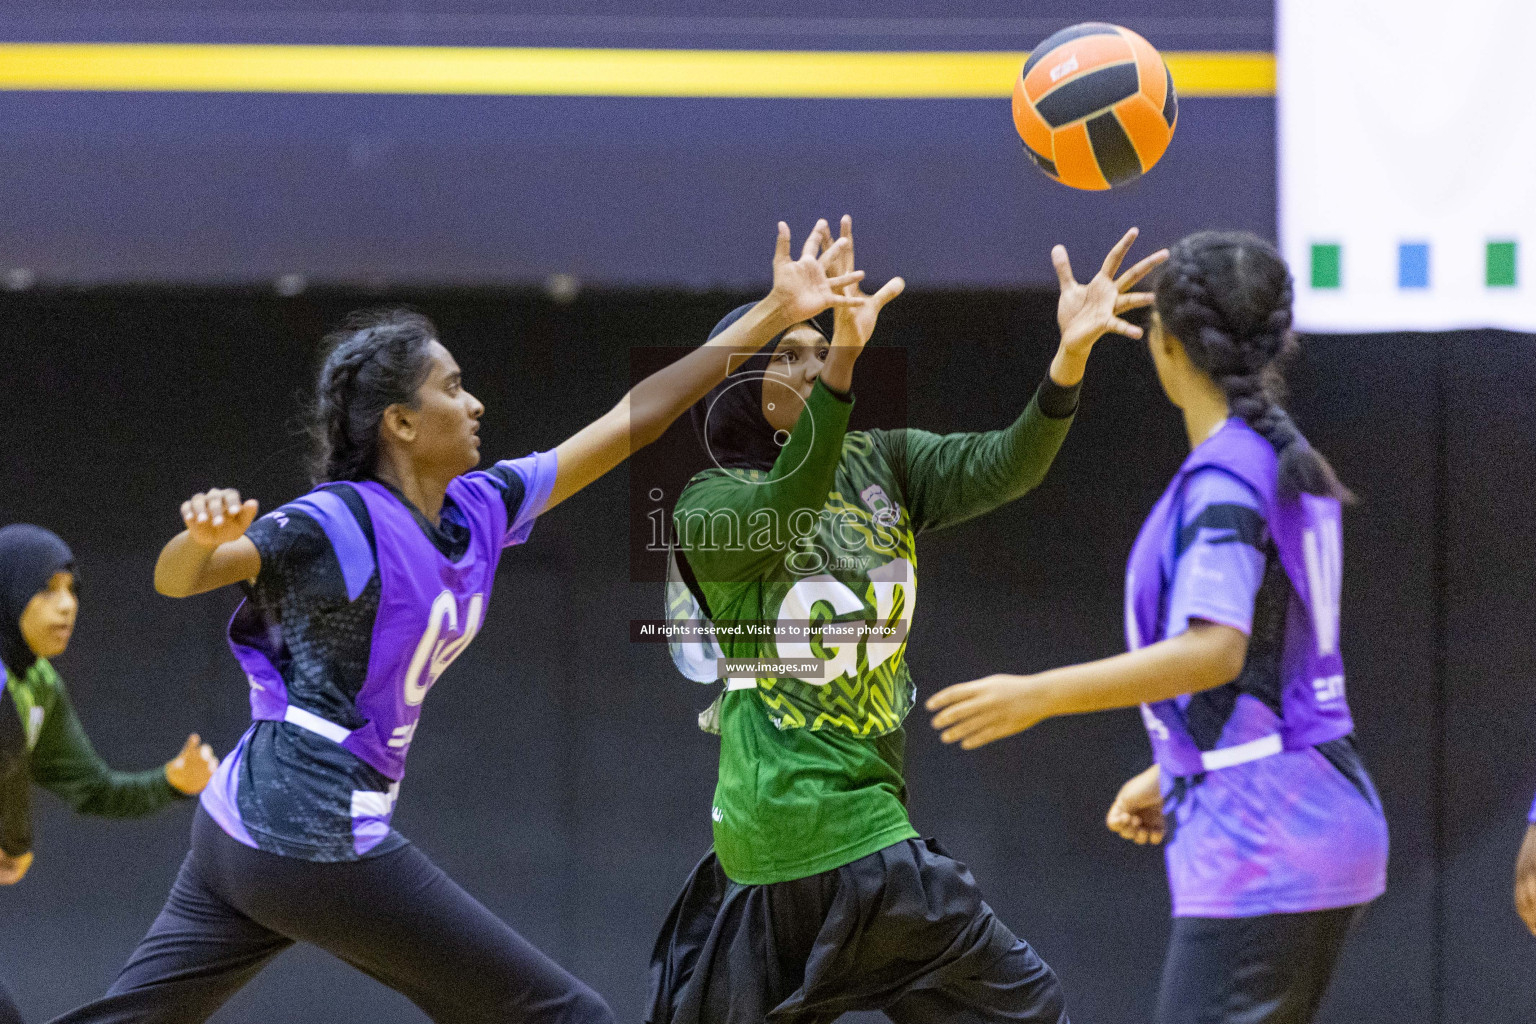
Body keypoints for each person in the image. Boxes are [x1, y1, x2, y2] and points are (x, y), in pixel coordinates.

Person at [48, 221, 868, 1024]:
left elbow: (633, 420)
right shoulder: (337, 521)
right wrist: (200, 542)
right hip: (309, 824)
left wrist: (768, 314)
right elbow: (178, 579)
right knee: (566, 1014)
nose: (474, 402)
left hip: (242, 828)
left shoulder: (482, 506)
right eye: (451, 388)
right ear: (400, 424)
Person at [649, 219, 1164, 1024]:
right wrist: (848, 362)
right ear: (734, 387)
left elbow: (1006, 464)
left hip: (855, 832)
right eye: (790, 353)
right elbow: (789, 500)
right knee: (1026, 1008)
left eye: (823, 347)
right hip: (791, 830)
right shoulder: (707, 507)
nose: (816, 359)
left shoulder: (880, 460)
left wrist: (1068, 359)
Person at [926, 231, 1389, 1024]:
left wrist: (1038, 693)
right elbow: (1272, 660)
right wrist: (1179, 758)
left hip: (1266, 830)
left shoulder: (1226, 476)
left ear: (1165, 345)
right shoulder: (1281, 456)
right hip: (1306, 801)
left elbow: (1218, 650)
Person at [0, 524, 216, 1024]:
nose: (67, 605)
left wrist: (171, 782)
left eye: (71, 590)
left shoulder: (38, 684)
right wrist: (14, 838)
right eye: (46, 588)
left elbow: (91, 789)